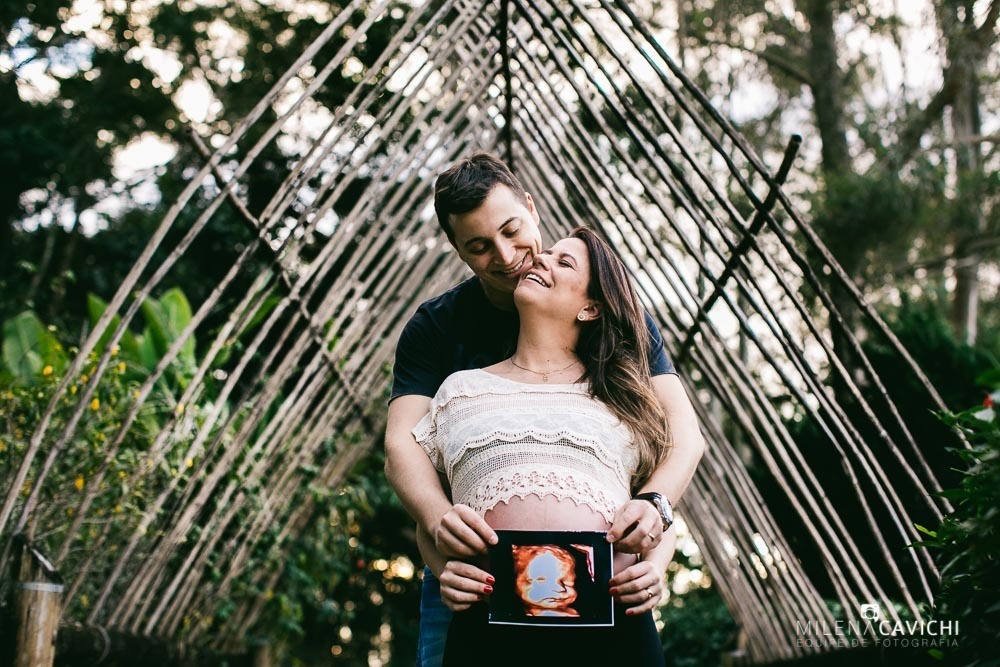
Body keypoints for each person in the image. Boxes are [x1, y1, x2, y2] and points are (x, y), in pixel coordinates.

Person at [384, 153, 705, 666]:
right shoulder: (437, 329)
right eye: (479, 247)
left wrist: (657, 515)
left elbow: (677, 437)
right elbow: (403, 445)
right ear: (457, 249)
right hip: (472, 575)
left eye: (512, 230)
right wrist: (439, 523)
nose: (507, 255)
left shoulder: (617, 321)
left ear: (532, 209)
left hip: (604, 602)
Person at [414, 228, 673, 664]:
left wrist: (655, 568)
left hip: (614, 630)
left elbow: (658, 509)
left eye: (563, 261)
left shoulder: (622, 397)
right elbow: (430, 516)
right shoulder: (458, 391)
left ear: (591, 307)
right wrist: (443, 571)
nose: (540, 260)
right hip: (488, 632)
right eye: (545, 254)